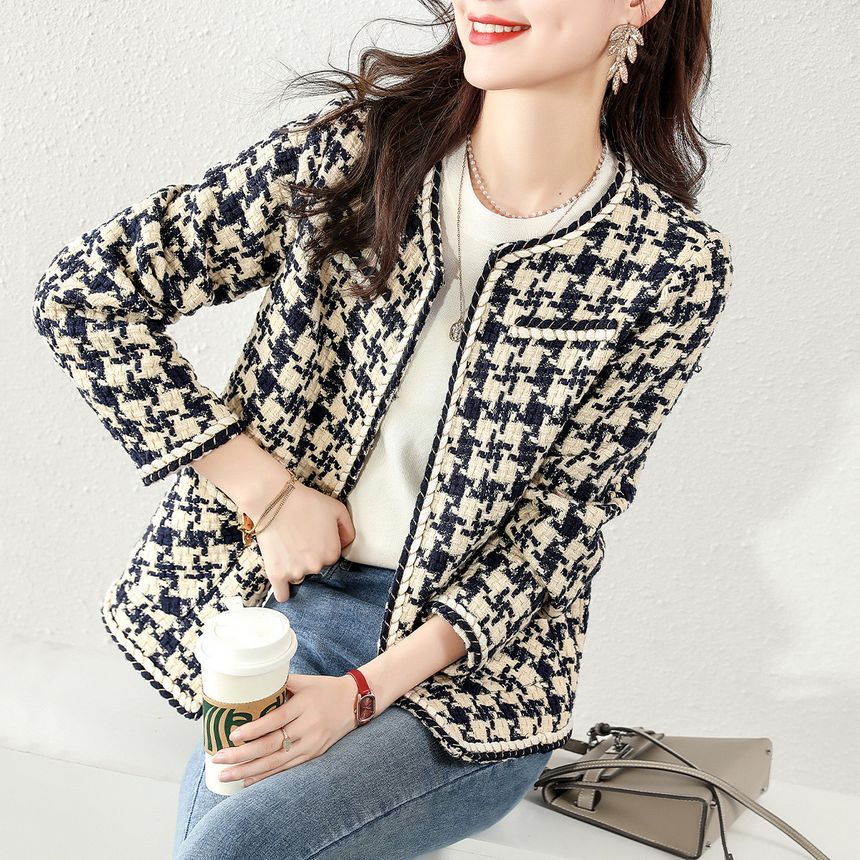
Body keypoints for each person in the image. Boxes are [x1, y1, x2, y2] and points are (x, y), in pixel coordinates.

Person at [31, 1, 735, 857]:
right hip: (287, 609)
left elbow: (563, 522)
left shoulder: (669, 267)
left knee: (231, 847)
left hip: (472, 676)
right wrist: (268, 494)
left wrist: (363, 692)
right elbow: (86, 294)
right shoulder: (356, 159)